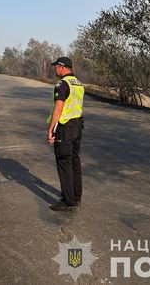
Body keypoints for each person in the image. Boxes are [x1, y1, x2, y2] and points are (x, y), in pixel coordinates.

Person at [47, 56, 84, 211]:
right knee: (75, 162)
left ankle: (68, 202)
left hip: (65, 128)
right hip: (77, 127)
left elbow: (59, 107)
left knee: (64, 163)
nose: (55, 69)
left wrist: (51, 128)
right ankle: (76, 196)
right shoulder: (78, 83)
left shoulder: (62, 84)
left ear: (62, 67)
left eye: (56, 66)